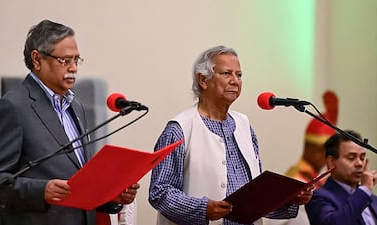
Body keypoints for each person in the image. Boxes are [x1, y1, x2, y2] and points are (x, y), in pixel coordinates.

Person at [0, 19, 139, 225]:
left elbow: (78, 182)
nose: (73, 68)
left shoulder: (76, 106)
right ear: (37, 59)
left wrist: (111, 197)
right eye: (65, 60)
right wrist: (41, 191)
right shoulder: (12, 108)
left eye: (76, 59)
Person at [148, 45, 312, 225]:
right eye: (226, 74)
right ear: (203, 79)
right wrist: (203, 209)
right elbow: (160, 192)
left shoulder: (244, 125)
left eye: (239, 75)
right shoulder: (179, 129)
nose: (235, 81)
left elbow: (256, 197)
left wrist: (290, 200)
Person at [265, 91, 339, 225]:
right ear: (314, 149)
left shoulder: (316, 179)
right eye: (324, 152)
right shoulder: (296, 180)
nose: (326, 158)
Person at [305, 130, 377, 225]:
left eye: (362, 158)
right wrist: (364, 189)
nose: (360, 164)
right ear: (331, 162)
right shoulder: (319, 197)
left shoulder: (372, 198)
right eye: (351, 158)